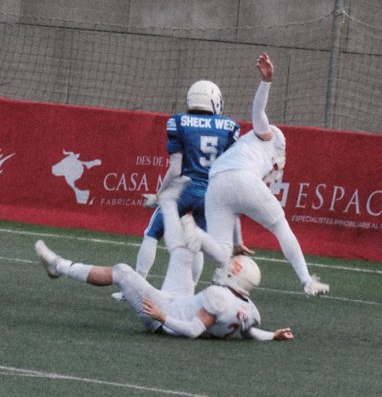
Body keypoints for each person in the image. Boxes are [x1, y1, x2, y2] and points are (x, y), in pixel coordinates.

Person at [34, 177, 293, 343]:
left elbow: (193, 330)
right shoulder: (249, 309)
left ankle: (58, 266)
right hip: (181, 301)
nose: (224, 269)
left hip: (166, 316)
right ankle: (169, 205)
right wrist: (272, 335)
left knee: (123, 272)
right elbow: (249, 331)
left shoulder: (219, 297)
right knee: (182, 253)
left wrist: (161, 317)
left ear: (236, 275)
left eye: (230, 269)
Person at [184, 54, 329, 298]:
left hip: (217, 184)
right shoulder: (268, 137)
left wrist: (238, 240)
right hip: (238, 179)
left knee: (221, 251)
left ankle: (194, 232)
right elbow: (258, 112)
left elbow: (235, 202)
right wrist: (267, 82)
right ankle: (307, 280)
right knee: (280, 225)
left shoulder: (244, 148)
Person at [136, 79, 241, 285]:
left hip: (183, 190)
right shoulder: (230, 127)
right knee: (198, 242)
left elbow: (175, 169)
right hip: (212, 195)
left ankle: (138, 284)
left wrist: (158, 196)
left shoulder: (179, 122)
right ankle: (190, 291)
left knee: (152, 234)